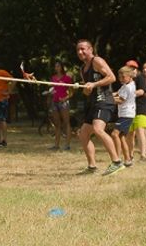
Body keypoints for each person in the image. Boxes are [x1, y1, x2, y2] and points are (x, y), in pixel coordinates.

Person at [75, 39, 123, 175]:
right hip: (93, 103)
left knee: (98, 129)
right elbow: (88, 90)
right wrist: (86, 89)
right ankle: (92, 166)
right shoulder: (82, 69)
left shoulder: (97, 61)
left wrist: (94, 84)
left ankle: (117, 162)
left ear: (90, 49)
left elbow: (112, 77)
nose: (80, 52)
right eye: (78, 50)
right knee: (83, 134)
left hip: (105, 101)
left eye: (83, 49)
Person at [125, 59, 146, 159]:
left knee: (140, 131)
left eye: (133, 68)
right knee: (129, 134)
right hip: (129, 109)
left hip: (140, 108)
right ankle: (130, 155)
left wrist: (130, 94)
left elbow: (141, 91)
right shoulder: (126, 80)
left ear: (136, 69)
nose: (131, 70)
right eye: (129, 68)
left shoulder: (140, 78)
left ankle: (143, 155)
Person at [112, 66, 137, 165]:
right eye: (119, 77)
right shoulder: (126, 85)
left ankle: (117, 158)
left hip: (126, 115)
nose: (121, 79)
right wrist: (106, 94)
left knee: (114, 134)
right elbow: (117, 94)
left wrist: (107, 100)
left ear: (130, 76)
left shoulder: (128, 87)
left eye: (123, 77)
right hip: (125, 114)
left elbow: (120, 100)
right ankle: (127, 160)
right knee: (122, 137)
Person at [48, 61, 74, 150]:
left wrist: (65, 98)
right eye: (55, 66)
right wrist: (51, 93)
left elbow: (71, 93)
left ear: (62, 67)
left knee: (66, 123)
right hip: (54, 102)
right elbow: (52, 90)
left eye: (58, 66)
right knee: (57, 124)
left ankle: (67, 145)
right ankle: (56, 145)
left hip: (63, 103)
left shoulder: (67, 78)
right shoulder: (53, 78)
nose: (56, 68)